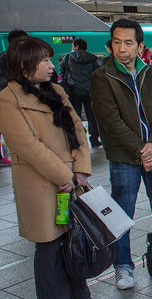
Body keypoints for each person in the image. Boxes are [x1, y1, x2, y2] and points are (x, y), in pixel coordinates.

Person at [0, 36, 92, 299]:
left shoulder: (57, 91)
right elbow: (28, 146)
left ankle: (79, 293)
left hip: (70, 183)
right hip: (42, 185)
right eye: (44, 60)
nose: (51, 65)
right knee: (50, 247)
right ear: (24, 63)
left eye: (50, 59)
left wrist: (81, 166)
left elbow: (77, 128)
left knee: (73, 241)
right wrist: (64, 175)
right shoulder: (8, 99)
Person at [89, 19, 152, 290]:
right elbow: (110, 121)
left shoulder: (147, 72)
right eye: (116, 42)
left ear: (140, 46)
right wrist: (142, 150)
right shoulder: (102, 77)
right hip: (125, 157)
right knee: (122, 212)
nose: (122, 49)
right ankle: (123, 267)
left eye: (128, 43)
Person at [64, 38, 102, 147]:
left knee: (76, 116)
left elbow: (63, 74)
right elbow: (97, 75)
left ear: (76, 46)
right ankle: (94, 139)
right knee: (91, 116)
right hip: (89, 91)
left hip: (74, 91)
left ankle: (77, 139)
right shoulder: (92, 59)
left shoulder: (68, 58)